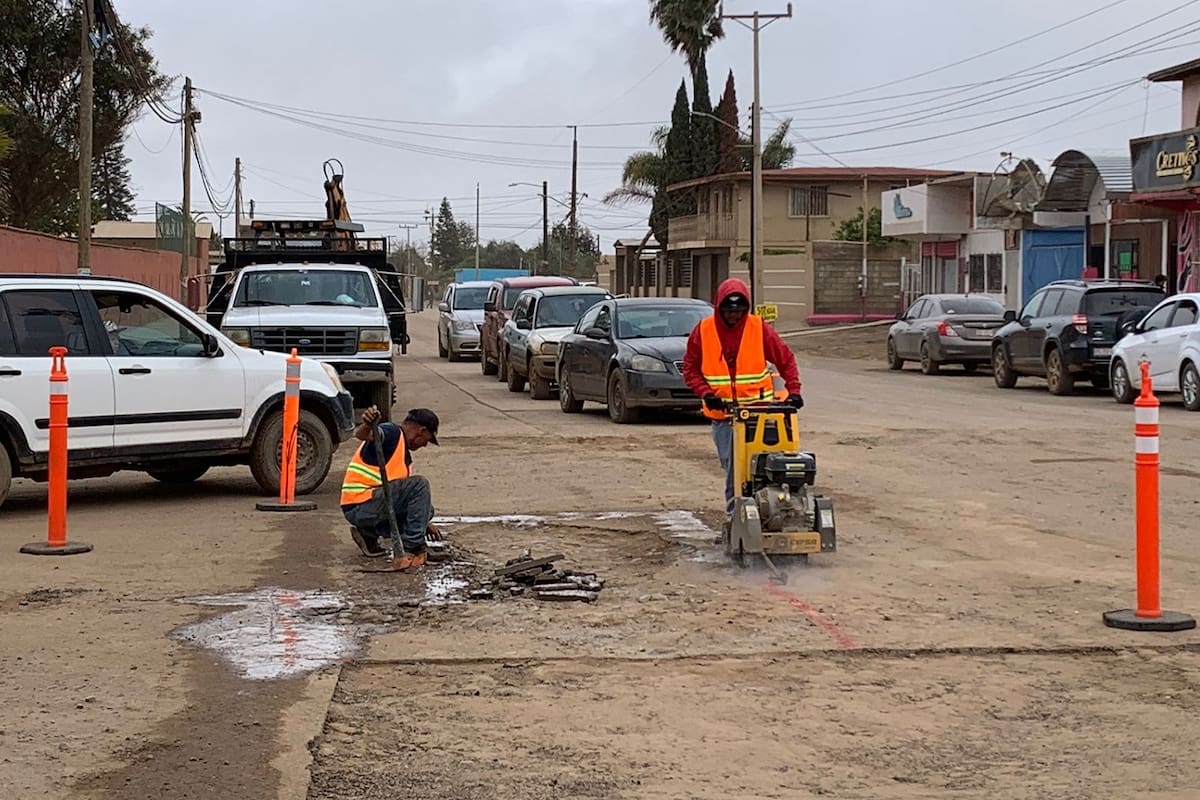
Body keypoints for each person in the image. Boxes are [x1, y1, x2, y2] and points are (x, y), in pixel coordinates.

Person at [682, 278, 803, 510]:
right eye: (729, 311)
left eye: (739, 311)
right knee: (735, 472)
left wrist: (794, 391)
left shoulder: (759, 329)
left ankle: (768, 511)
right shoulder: (704, 331)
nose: (734, 316)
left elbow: (785, 359)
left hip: (760, 416)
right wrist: (706, 393)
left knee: (766, 468)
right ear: (720, 308)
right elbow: (690, 368)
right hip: (725, 418)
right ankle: (735, 518)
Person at [340, 405, 443, 570]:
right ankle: (412, 548)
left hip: (367, 505)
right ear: (421, 431)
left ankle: (368, 534)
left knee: (426, 510)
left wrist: (424, 522)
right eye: (427, 440)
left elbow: (409, 502)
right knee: (420, 485)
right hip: (360, 503)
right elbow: (364, 435)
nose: (424, 445)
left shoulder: (403, 455)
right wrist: (367, 424)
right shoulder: (392, 433)